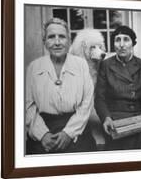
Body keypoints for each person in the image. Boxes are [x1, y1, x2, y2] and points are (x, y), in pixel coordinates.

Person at [26, 18, 96, 154]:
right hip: (44, 126)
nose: (57, 42)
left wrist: (68, 133)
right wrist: (43, 135)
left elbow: (87, 103)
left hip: (76, 127)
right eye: (51, 37)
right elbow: (27, 105)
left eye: (62, 37)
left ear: (69, 41)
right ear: (44, 42)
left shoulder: (81, 65)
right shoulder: (33, 67)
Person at [95, 25, 141, 150]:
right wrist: (106, 118)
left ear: (133, 43)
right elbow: (99, 98)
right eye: (117, 40)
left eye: (126, 39)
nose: (121, 45)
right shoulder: (105, 65)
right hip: (115, 122)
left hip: (138, 120)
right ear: (114, 44)